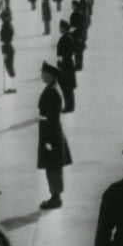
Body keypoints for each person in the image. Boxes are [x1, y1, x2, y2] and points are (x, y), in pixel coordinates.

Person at [36, 62, 71, 209]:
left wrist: (49, 140)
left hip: (52, 135)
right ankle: (54, 196)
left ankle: (56, 198)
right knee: (52, 167)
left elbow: (54, 118)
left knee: (53, 167)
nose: (41, 75)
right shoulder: (51, 88)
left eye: (43, 73)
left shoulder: (53, 92)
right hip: (51, 133)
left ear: (50, 74)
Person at [56, 20, 77, 113]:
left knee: (67, 87)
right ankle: (70, 106)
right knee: (68, 87)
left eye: (60, 27)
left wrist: (61, 61)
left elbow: (65, 53)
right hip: (67, 64)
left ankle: (69, 107)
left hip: (66, 65)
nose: (59, 28)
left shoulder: (66, 38)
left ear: (64, 28)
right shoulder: (68, 37)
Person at [0, 10, 16, 94]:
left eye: (3, 17)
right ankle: (10, 86)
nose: (1, 19)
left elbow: (5, 38)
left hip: (7, 47)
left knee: (8, 68)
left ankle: (10, 87)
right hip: (7, 47)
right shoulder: (7, 25)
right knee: (9, 68)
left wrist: (4, 52)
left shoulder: (6, 26)